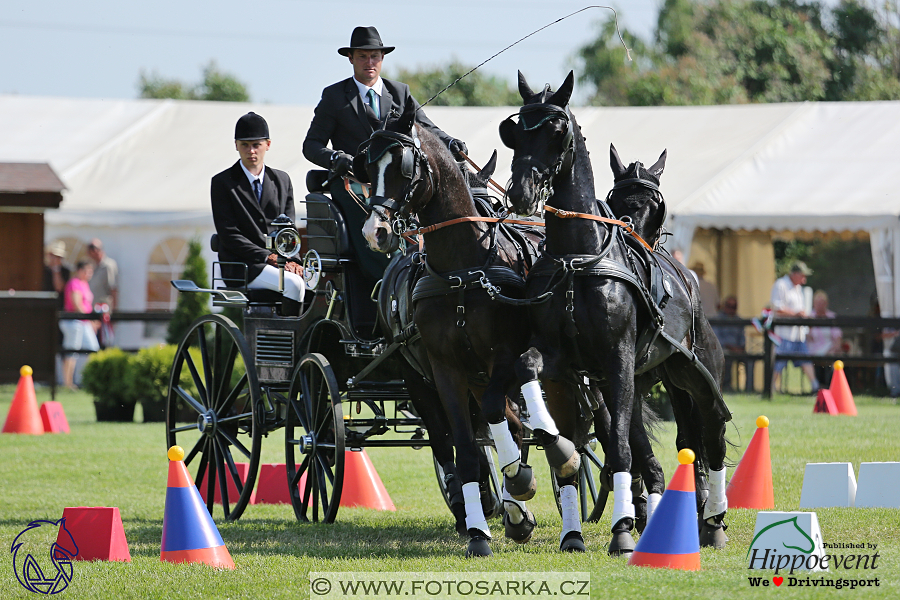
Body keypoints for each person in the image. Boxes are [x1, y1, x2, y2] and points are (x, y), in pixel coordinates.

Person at [302, 25, 467, 284]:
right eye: (362, 56)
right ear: (351, 58)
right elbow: (311, 145)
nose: (369, 62)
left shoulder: (400, 93)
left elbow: (427, 128)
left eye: (375, 56)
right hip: (352, 183)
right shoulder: (334, 96)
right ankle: (390, 280)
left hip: (393, 182)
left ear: (382, 58)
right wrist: (336, 158)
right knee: (375, 225)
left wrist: (450, 142)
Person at [211, 112, 305, 314]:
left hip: (279, 264)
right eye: (245, 145)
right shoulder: (222, 183)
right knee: (294, 285)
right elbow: (230, 234)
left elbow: (289, 232)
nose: (251, 150)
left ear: (268, 144)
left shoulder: (282, 180)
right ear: (236, 145)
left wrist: (294, 261)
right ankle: (287, 342)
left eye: (256, 144)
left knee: (318, 286)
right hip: (243, 266)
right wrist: (267, 256)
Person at [770, 261, 818, 393]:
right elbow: (776, 308)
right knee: (778, 364)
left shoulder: (798, 288)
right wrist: (795, 314)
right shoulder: (781, 285)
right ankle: (770, 389)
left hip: (798, 334)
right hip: (783, 333)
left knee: (806, 359)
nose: (804, 279)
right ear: (795, 274)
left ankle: (815, 386)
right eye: (803, 275)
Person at [61, 261, 100, 389]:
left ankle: (91, 381)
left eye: (90, 271)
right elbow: (77, 305)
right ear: (79, 270)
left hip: (84, 322)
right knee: (72, 351)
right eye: (86, 271)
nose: (89, 274)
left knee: (93, 349)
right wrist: (90, 320)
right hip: (74, 321)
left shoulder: (85, 284)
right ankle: (68, 383)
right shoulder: (74, 283)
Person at [712, 295, 751, 391]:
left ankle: (750, 388)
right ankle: (727, 387)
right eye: (729, 306)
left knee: (750, 360)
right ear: (724, 306)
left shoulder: (739, 320)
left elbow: (743, 337)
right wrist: (730, 347)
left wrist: (740, 348)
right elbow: (717, 339)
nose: (731, 309)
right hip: (724, 348)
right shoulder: (717, 319)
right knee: (725, 358)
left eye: (733, 307)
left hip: (737, 349)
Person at [806, 290, 843, 387]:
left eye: (822, 302)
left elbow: (837, 336)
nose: (820, 305)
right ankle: (817, 385)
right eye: (817, 303)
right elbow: (806, 335)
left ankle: (831, 385)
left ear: (826, 304)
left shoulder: (831, 316)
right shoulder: (809, 316)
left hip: (829, 347)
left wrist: (835, 348)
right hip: (812, 348)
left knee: (834, 357)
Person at [87, 238, 118, 310]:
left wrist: (114, 312)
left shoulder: (108, 266)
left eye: (92, 249)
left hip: (104, 308)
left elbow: (113, 289)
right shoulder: (92, 265)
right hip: (92, 307)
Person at [42, 240, 71, 309]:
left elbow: (59, 288)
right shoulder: (44, 270)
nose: (56, 259)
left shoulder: (65, 271)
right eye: (54, 256)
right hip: (44, 305)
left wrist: (56, 270)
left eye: (59, 257)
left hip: (59, 306)